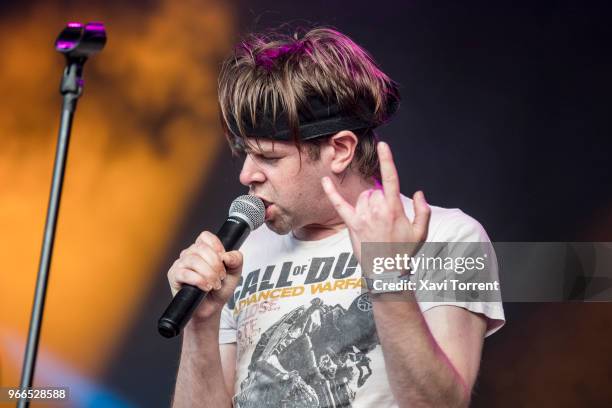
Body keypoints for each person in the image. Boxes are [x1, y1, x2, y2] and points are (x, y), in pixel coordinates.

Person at [167, 27, 505, 408]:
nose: (246, 175)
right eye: (246, 154)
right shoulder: (243, 255)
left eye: (270, 158)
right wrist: (201, 323)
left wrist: (387, 275)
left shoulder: (449, 236)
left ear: (340, 150)